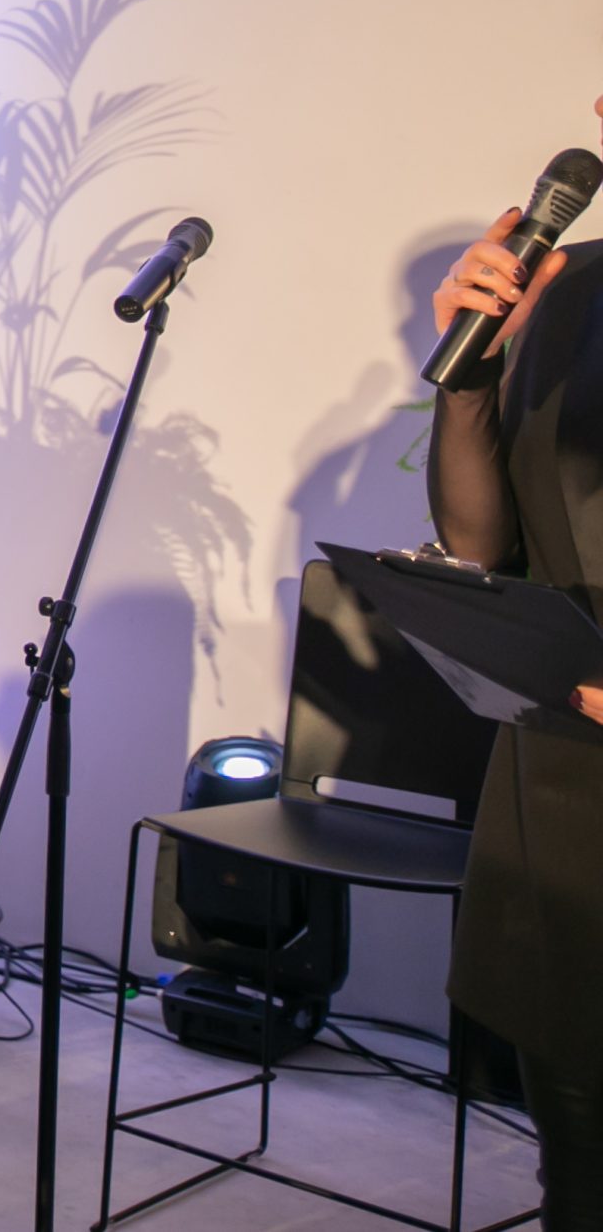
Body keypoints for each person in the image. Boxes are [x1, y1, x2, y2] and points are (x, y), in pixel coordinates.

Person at [425, 108, 603, 1232]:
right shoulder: (568, 291)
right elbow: (483, 547)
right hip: (569, 792)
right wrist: (469, 378)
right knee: (579, 1180)